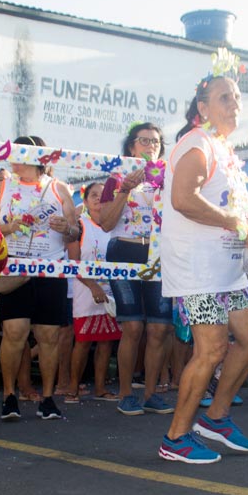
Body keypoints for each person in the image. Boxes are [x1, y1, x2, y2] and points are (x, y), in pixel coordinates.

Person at [157, 51, 248, 464]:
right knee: (211, 349)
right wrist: (238, 225)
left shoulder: (221, 147)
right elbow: (183, 199)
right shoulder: (197, 142)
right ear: (202, 108)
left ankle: (216, 417)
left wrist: (244, 227)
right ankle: (176, 437)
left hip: (227, 270)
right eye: (225, 97)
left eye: (237, 97)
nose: (234, 104)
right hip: (198, 268)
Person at [0, 135, 78, 421]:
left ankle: (47, 398)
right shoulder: (3, 185)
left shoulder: (58, 188)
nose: (13, 157)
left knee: (49, 336)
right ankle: (8, 396)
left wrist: (66, 226)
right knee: (14, 332)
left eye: (18, 152)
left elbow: (75, 232)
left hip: (50, 269)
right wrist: (8, 227)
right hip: (14, 268)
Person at [99, 123, 174, 416]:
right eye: (143, 141)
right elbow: (105, 223)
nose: (150, 146)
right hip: (124, 251)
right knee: (132, 326)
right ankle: (127, 393)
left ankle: (153, 393)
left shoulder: (168, 177)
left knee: (159, 328)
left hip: (158, 253)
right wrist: (124, 190)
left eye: (155, 142)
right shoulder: (116, 178)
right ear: (131, 146)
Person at [64, 182, 122, 402]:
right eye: (93, 195)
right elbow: (73, 263)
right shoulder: (79, 226)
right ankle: (72, 389)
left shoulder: (116, 227)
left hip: (111, 293)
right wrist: (93, 286)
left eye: (103, 195)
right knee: (83, 341)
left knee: (107, 342)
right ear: (85, 200)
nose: (98, 199)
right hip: (85, 293)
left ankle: (100, 388)